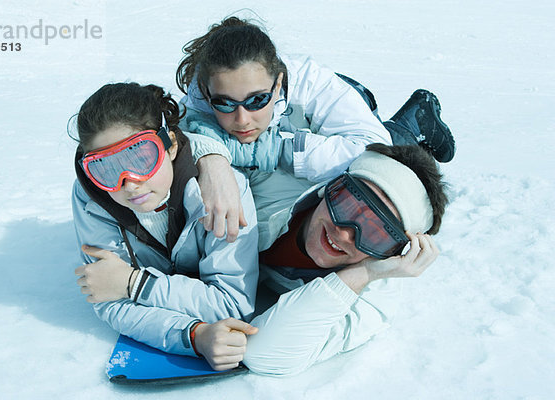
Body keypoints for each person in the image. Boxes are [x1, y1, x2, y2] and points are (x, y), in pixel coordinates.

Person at [80, 141, 449, 376]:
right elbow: (197, 125)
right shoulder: (274, 183)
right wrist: (214, 162)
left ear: (393, 251)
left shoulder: (373, 300)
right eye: (346, 202)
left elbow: (267, 355)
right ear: (332, 186)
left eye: (376, 233)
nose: (344, 231)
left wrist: (360, 274)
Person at [174, 16, 455, 238]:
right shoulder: (202, 94)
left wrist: (277, 150)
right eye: (224, 104)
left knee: (394, 151)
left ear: (279, 83)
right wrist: (213, 162)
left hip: (341, 117)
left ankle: (418, 119)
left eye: (258, 100)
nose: (242, 119)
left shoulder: (311, 82)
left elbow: (371, 148)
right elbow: (186, 130)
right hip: (306, 123)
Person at [70, 82, 261, 371]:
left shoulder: (223, 193)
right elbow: (107, 296)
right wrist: (193, 336)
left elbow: (232, 304)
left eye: (141, 156)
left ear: (169, 144)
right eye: (105, 168)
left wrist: (134, 284)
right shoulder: (92, 200)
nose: (129, 183)